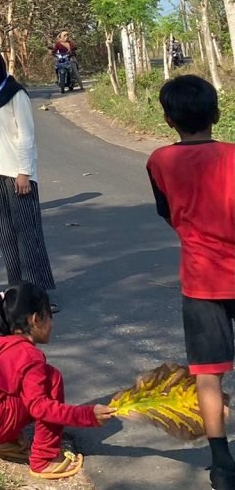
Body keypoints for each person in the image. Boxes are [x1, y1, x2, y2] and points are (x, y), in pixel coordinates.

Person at [146, 75, 235, 490]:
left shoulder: (159, 162)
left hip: (200, 281)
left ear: (168, 119)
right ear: (217, 114)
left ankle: (221, 464)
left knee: (207, 374)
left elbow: (167, 213)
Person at [0, 282, 115, 480]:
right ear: (36, 319)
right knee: (52, 378)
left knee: (25, 388)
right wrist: (88, 415)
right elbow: (40, 407)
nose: (52, 324)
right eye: (50, 316)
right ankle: (43, 459)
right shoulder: (29, 356)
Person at [0, 46, 57, 309]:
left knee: (28, 235)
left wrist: (24, 172)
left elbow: (26, 136)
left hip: (19, 174)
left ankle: (39, 298)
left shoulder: (15, 94)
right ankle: (17, 290)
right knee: (6, 234)